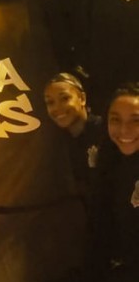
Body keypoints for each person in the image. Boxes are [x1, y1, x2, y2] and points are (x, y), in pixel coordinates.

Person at [41, 85, 139, 282]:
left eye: (136, 119)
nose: (125, 128)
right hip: (129, 269)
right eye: (115, 119)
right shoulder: (113, 162)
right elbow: (103, 234)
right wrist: (93, 280)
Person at [43, 72, 101, 204]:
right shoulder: (56, 144)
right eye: (50, 102)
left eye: (64, 98)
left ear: (82, 99)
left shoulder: (106, 132)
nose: (57, 107)